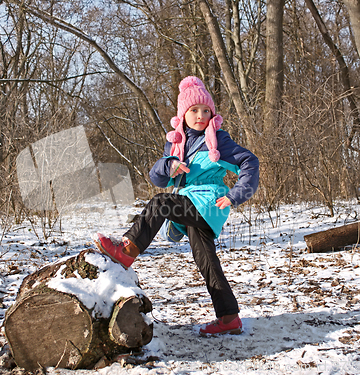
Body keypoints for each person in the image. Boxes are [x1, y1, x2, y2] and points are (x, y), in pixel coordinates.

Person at [94, 76, 259, 336]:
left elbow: (250, 162)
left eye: (206, 110)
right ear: (183, 113)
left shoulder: (219, 140)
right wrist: (167, 165)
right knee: (206, 259)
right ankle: (229, 316)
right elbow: (156, 177)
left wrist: (238, 194)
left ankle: (128, 249)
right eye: (194, 110)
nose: (201, 115)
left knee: (161, 202)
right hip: (192, 204)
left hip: (208, 203)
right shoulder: (177, 144)